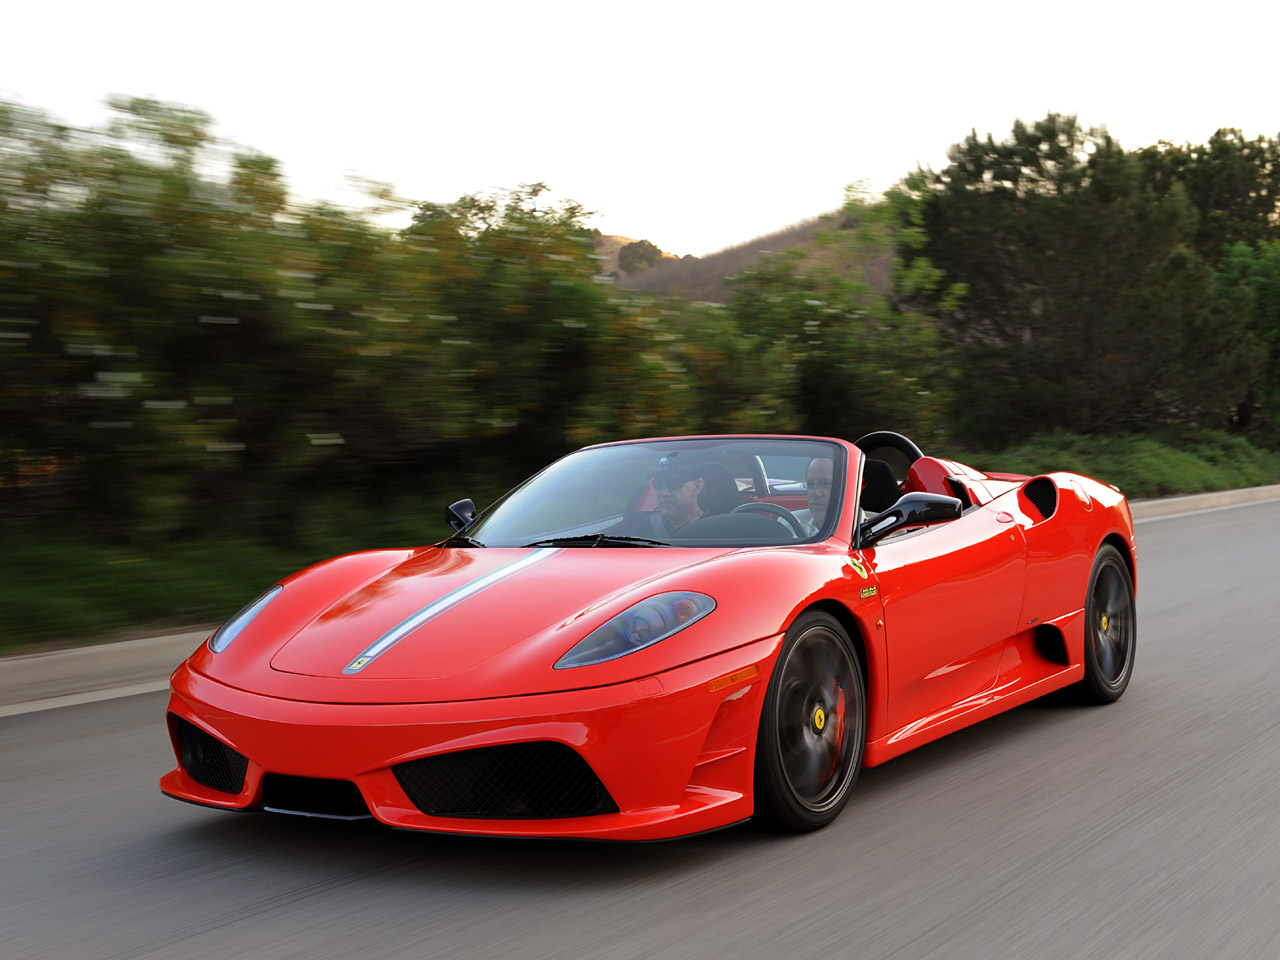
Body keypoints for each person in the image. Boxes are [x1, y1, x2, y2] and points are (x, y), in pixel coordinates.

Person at [792, 456, 834, 535]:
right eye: (810, 484)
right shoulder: (790, 523)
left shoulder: (863, 530)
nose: (816, 493)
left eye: (826, 484)